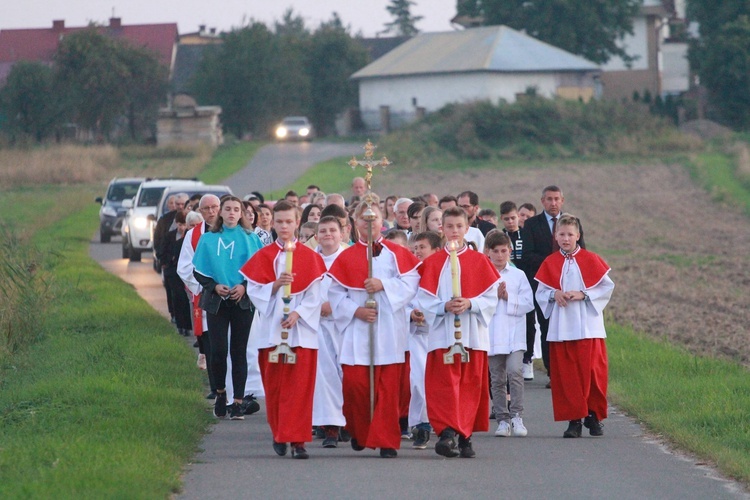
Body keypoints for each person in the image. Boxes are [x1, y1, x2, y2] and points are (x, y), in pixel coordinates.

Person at [327, 196, 421, 458]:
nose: (369, 224)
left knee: (387, 390)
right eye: (363, 220)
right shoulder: (345, 257)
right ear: (355, 223)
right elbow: (335, 293)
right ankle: (360, 431)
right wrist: (356, 310)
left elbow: (411, 284)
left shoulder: (396, 254)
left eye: (374, 219)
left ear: (382, 221)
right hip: (358, 331)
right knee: (356, 387)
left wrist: (384, 285)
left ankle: (387, 440)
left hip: (389, 329)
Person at [243, 200, 327, 459]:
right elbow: (254, 291)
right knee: (276, 388)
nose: (284, 226)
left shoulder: (311, 257)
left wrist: (299, 314)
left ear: (297, 221)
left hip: (302, 334)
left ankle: (298, 441)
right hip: (272, 332)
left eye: (289, 221)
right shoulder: (264, 256)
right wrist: (276, 285)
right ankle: (280, 432)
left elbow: (317, 293)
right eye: (279, 221)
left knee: (300, 390)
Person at [417, 207, 500, 458]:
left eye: (459, 226)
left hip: (472, 334)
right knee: (443, 385)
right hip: (443, 335)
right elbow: (423, 299)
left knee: (469, 385)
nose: (454, 231)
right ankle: (447, 432)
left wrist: (470, 303)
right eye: (449, 226)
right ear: (441, 228)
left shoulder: (480, 261)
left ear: (467, 228)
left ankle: (465, 436)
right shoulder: (432, 262)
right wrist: (442, 306)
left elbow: (491, 298)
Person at [534, 214, 613, 438]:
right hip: (562, 327)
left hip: (589, 327)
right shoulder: (550, 263)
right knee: (567, 376)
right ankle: (574, 420)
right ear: (556, 237)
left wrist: (584, 294)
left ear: (578, 236)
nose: (566, 238)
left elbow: (605, 288)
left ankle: (594, 416)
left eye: (570, 234)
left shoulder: (591, 259)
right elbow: (541, 292)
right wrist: (553, 294)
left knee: (593, 374)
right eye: (562, 234)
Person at [193, 195, 264, 420]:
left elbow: (259, 269)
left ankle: (238, 402)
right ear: (220, 213)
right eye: (228, 209)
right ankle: (221, 392)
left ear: (241, 213)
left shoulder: (251, 238)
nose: (232, 213)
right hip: (217, 302)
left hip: (241, 301)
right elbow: (198, 270)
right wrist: (213, 286)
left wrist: (244, 286)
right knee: (219, 350)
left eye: (236, 209)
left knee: (239, 350)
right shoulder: (208, 239)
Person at [524, 186, 585, 387]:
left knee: (570, 327)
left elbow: (582, 251)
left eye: (556, 199)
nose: (553, 203)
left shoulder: (573, 223)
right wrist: (553, 262)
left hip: (570, 285)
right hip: (544, 282)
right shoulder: (532, 224)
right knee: (547, 327)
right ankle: (554, 373)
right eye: (549, 199)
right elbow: (527, 255)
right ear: (542, 201)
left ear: (562, 200)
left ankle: (572, 370)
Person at [484, 230, 535, 438]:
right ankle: (502, 419)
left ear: (510, 251)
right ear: (488, 252)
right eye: (495, 251)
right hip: (492, 333)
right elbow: (478, 300)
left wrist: (508, 297)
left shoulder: (518, 275)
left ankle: (517, 416)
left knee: (515, 372)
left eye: (503, 251)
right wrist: (493, 297)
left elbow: (528, 303)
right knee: (496, 378)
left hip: (514, 333)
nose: (499, 255)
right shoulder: (483, 273)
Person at [310, 216, 348, 448]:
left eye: (332, 230)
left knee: (346, 372)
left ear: (341, 233)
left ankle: (347, 420)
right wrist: (317, 307)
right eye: (323, 231)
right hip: (318, 325)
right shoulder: (309, 260)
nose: (328, 234)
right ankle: (330, 427)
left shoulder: (349, 258)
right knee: (325, 375)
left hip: (345, 324)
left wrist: (336, 306)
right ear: (316, 236)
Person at [408, 231, 442, 449]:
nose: (418, 252)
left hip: (438, 333)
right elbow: (403, 300)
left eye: (423, 247)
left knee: (438, 384)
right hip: (416, 335)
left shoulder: (445, 273)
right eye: (415, 248)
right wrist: (411, 314)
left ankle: (440, 423)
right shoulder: (411, 274)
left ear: (436, 251)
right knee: (418, 381)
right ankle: (421, 426)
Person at [499, 200, 535, 381]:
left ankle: (527, 359)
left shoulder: (527, 235)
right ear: (502, 219)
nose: (510, 222)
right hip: (507, 282)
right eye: (506, 219)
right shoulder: (500, 237)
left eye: (513, 218)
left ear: (518, 217)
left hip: (526, 281)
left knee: (529, 321)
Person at [162, 210, 193, 337]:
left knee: (185, 299)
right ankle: (180, 324)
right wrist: (170, 260)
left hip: (185, 272)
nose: (182, 227)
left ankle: (187, 325)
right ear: (176, 224)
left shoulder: (188, 237)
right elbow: (162, 252)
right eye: (179, 224)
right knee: (177, 297)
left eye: (184, 224)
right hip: (173, 271)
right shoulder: (169, 236)